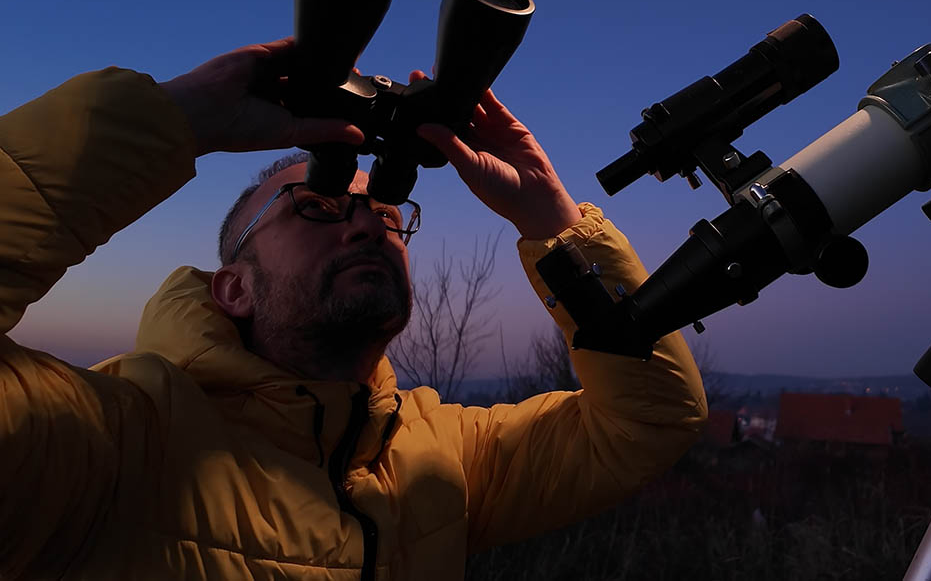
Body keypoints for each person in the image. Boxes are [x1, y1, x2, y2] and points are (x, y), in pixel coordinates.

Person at [0, 37, 707, 580]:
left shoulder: (441, 456)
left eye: (386, 214)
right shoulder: (110, 441)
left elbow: (648, 421)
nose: (370, 224)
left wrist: (554, 223)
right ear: (233, 288)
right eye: (316, 206)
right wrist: (176, 117)